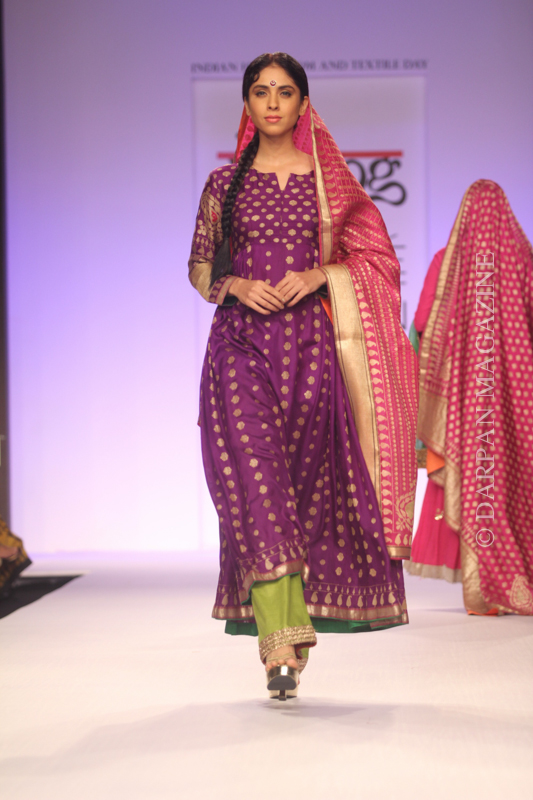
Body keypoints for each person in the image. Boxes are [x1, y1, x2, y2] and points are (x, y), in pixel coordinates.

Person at [189, 53, 418, 699]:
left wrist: (321, 275)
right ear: (246, 104)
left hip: (310, 351)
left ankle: (294, 625)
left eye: (284, 92)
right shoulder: (223, 184)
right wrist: (235, 284)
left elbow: (377, 261)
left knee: (303, 487)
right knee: (253, 482)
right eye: (260, 92)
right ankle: (279, 642)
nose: (271, 102)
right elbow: (199, 266)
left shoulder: (331, 183)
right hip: (238, 345)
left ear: (302, 104)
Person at [406, 180, 533, 616]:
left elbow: (423, 321)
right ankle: (515, 576)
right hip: (516, 400)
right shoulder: (523, 259)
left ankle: (483, 592)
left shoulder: (447, 261)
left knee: (471, 476)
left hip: (463, 401)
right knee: (514, 479)